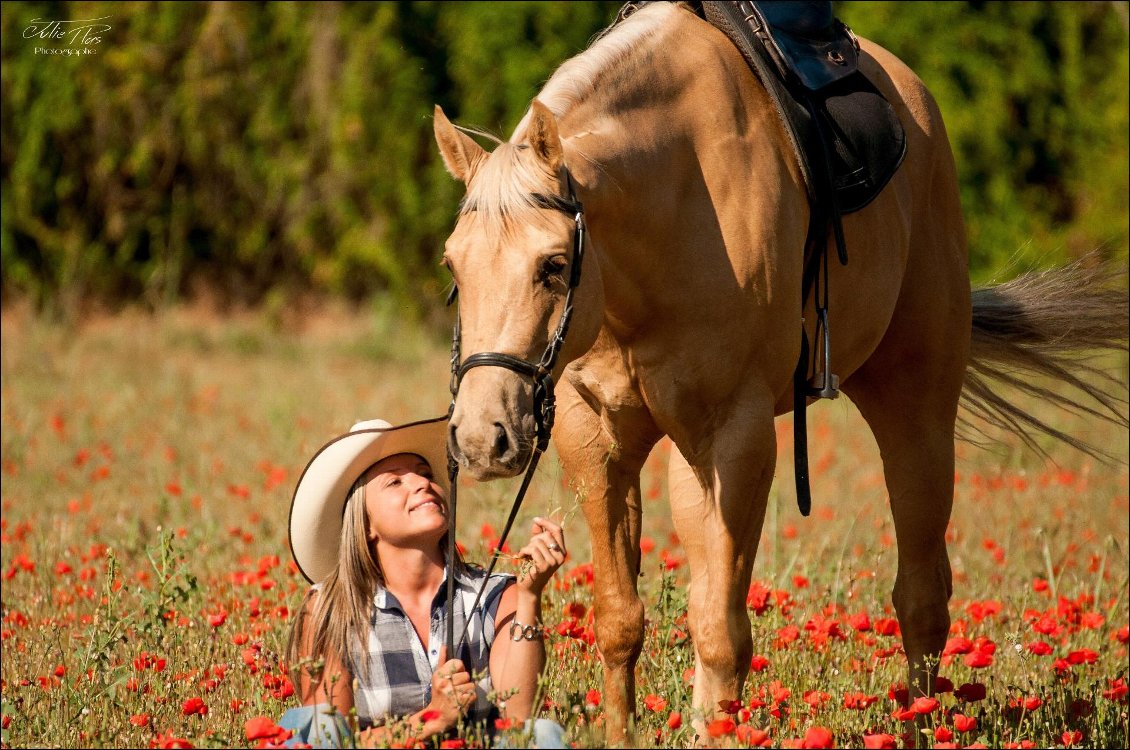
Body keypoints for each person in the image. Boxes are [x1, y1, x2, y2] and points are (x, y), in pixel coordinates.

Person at [279, 417, 569, 748]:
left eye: (426, 473)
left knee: (542, 735)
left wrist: (531, 598)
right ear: (365, 523)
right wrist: (432, 719)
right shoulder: (330, 609)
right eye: (394, 482)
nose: (421, 483)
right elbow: (326, 743)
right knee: (314, 727)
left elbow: (519, 719)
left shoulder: (498, 596)